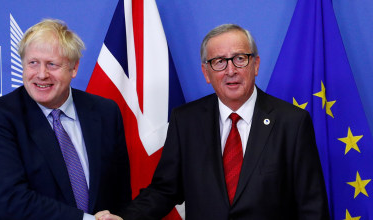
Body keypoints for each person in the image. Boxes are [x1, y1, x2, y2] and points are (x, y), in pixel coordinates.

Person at [98, 24, 329, 219]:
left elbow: (312, 205)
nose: (231, 70)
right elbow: (164, 190)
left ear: (256, 65)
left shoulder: (292, 122)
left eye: (240, 59)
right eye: (219, 62)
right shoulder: (186, 121)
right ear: (206, 73)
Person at [0, 19, 131, 220]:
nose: (41, 74)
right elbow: (9, 198)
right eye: (33, 63)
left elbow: (120, 191)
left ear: (74, 68)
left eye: (52, 64)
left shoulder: (105, 112)